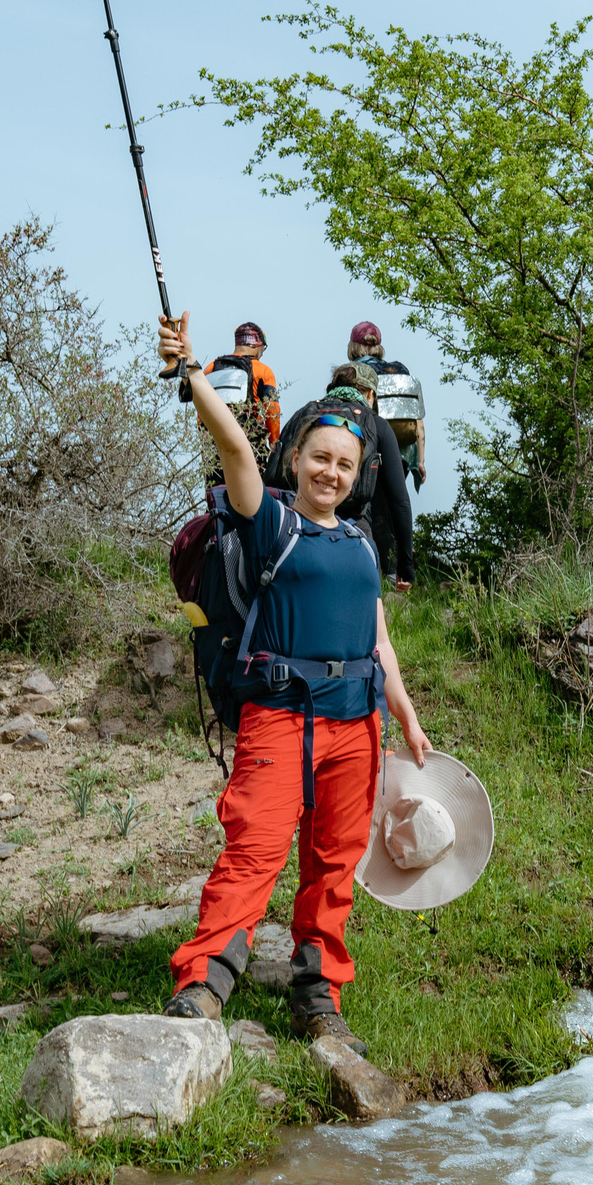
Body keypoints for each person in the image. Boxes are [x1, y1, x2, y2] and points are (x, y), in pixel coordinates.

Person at [156, 312, 432, 1052]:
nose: (330, 473)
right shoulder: (270, 521)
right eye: (319, 459)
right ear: (297, 457)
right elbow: (235, 446)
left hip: (357, 723)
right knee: (254, 850)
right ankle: (203, 982)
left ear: (360, 471)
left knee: (336, 862)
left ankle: (319, 995)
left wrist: (402, 712)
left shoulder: (360, 541)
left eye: (344, 464)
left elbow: (376, 631)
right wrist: (190, 373)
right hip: (280, 718)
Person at [278, 359, 417, 593]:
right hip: (354, 526)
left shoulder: (305, 414)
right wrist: (405, 564)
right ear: (371, 395)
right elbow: (399, 500)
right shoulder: (376, 424)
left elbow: (273, 473)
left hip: (296, 521)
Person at [348, 320, 426, 491]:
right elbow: (417, 421)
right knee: (394, 505)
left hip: (369, 451)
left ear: (353, 346)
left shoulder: (353, 372)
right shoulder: (401, 370)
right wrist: (420, 461)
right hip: (403, 453)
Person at [204, 321, 281, 468]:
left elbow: (201, 407)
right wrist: (274, 446)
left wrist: (205, 440)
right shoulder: (264, 371)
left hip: (215, 446)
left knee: (215, 490)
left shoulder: (211, 368)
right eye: (263, 350)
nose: (262, 354)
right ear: (256, 345)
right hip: (250, 446)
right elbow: (272, 410)